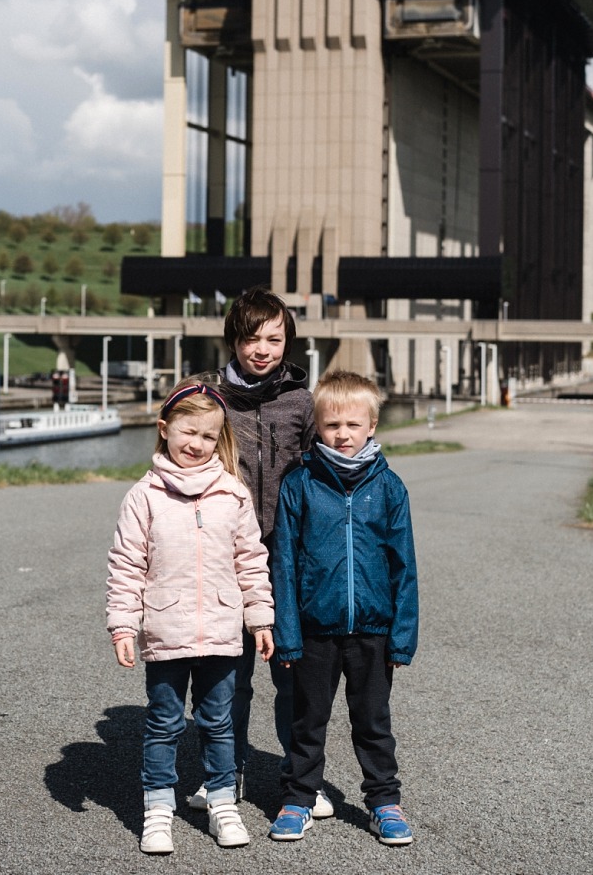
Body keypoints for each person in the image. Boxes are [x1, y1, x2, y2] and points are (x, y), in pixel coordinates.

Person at [106, 383, 275, 854]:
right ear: (164, 430)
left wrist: (261, 619)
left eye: (208, 435)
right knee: (163, 723)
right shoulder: (144, 496)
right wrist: (124, 624)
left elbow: (251, 561)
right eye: (188, 431)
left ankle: (223, 802)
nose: (196, 443)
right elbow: (126, 564)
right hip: (165, 631)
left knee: (217, 721)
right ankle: (158, 809)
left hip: (223, 631)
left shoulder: (232, 493)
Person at [183, 287, 321, 814]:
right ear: (233, 340)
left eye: (274, 338)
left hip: (287, 559)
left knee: (291, 675)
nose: (261, 349)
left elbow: (320, 478)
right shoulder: (210, 396)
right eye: (250, 338)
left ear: (287, 340)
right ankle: (226, 773)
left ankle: (298, 779)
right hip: (224, 558)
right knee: (227, 678)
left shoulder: (301, 403)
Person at [268, 370, 419, 847]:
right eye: (332, 425)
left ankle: (384, 803)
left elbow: (404, 566)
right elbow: (284, 564)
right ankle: (298, 799)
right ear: (318, 425)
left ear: (372, 424)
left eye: (353, 425)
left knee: (373, 722)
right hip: (314, 630)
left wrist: (402, 634)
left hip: (373, 630)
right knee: (307, 720)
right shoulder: (300, 485)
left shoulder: (389, 487)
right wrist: (287, 633)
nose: (343, 434)